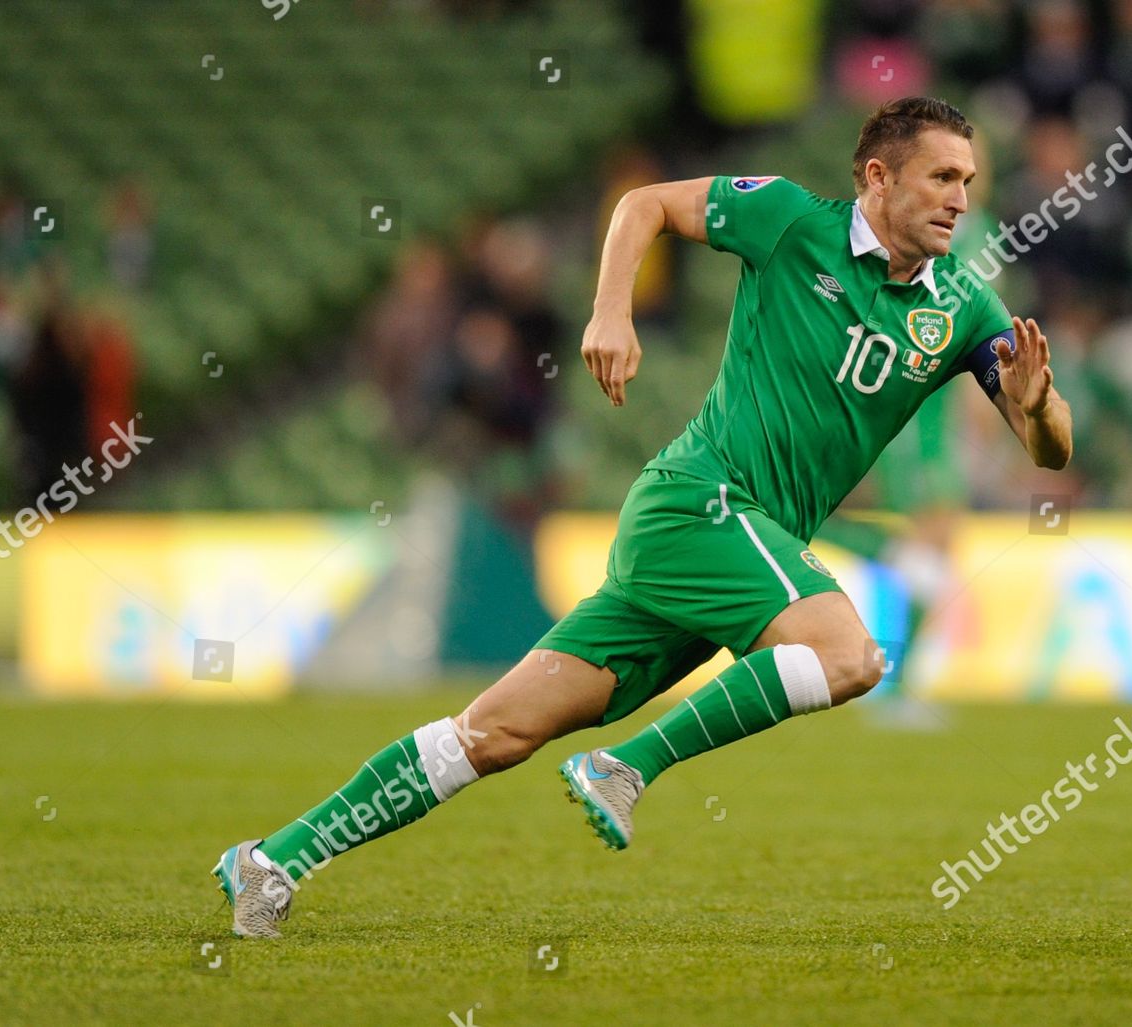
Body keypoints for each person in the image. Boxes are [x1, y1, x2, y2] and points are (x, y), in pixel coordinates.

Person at [211, 96, 1074, 938]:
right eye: (942, 176)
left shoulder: (964, 304)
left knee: (496, 731)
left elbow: (1051, 450)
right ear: (879, 178)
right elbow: (643, 205)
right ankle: (625, 766)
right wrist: (611, 309)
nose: (962, 197)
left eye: (967, 179)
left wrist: (1034, 411)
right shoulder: (787, 220)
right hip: (703, 502)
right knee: (847, 655)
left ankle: (271, 859)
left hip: (733, 545)